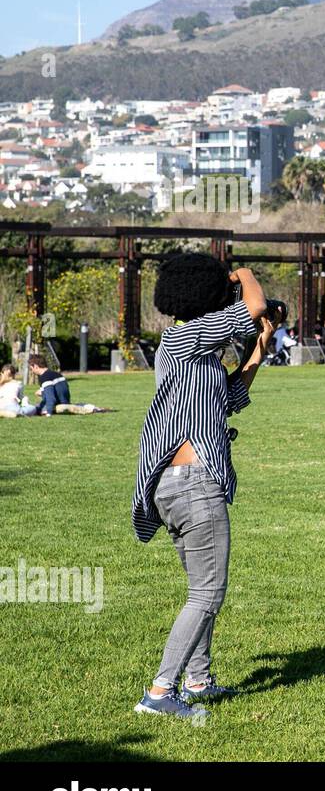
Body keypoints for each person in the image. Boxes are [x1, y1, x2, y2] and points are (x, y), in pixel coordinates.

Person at [131, 253, 275, 721]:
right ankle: (159, 692)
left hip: (176, 486)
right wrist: (240, 274)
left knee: (200, 587)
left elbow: (228, 400)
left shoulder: (190, 350)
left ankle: (198, 680)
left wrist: (258, 353)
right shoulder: (188, 334)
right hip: (194, 485)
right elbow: (252, 305)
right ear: (205, 296)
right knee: (208, 593)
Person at [27, 355, 108, 414]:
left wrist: (48, 412)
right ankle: (93, 408)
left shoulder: (44, 377)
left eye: (31, 369)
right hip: (66, 401)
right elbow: (59, 390)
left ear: (36, 366)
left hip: (59, 405)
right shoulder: (56, 374)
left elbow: (50, 398)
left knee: (38, 409)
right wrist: (42, 392)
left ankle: (92, 410)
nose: (32, 371)